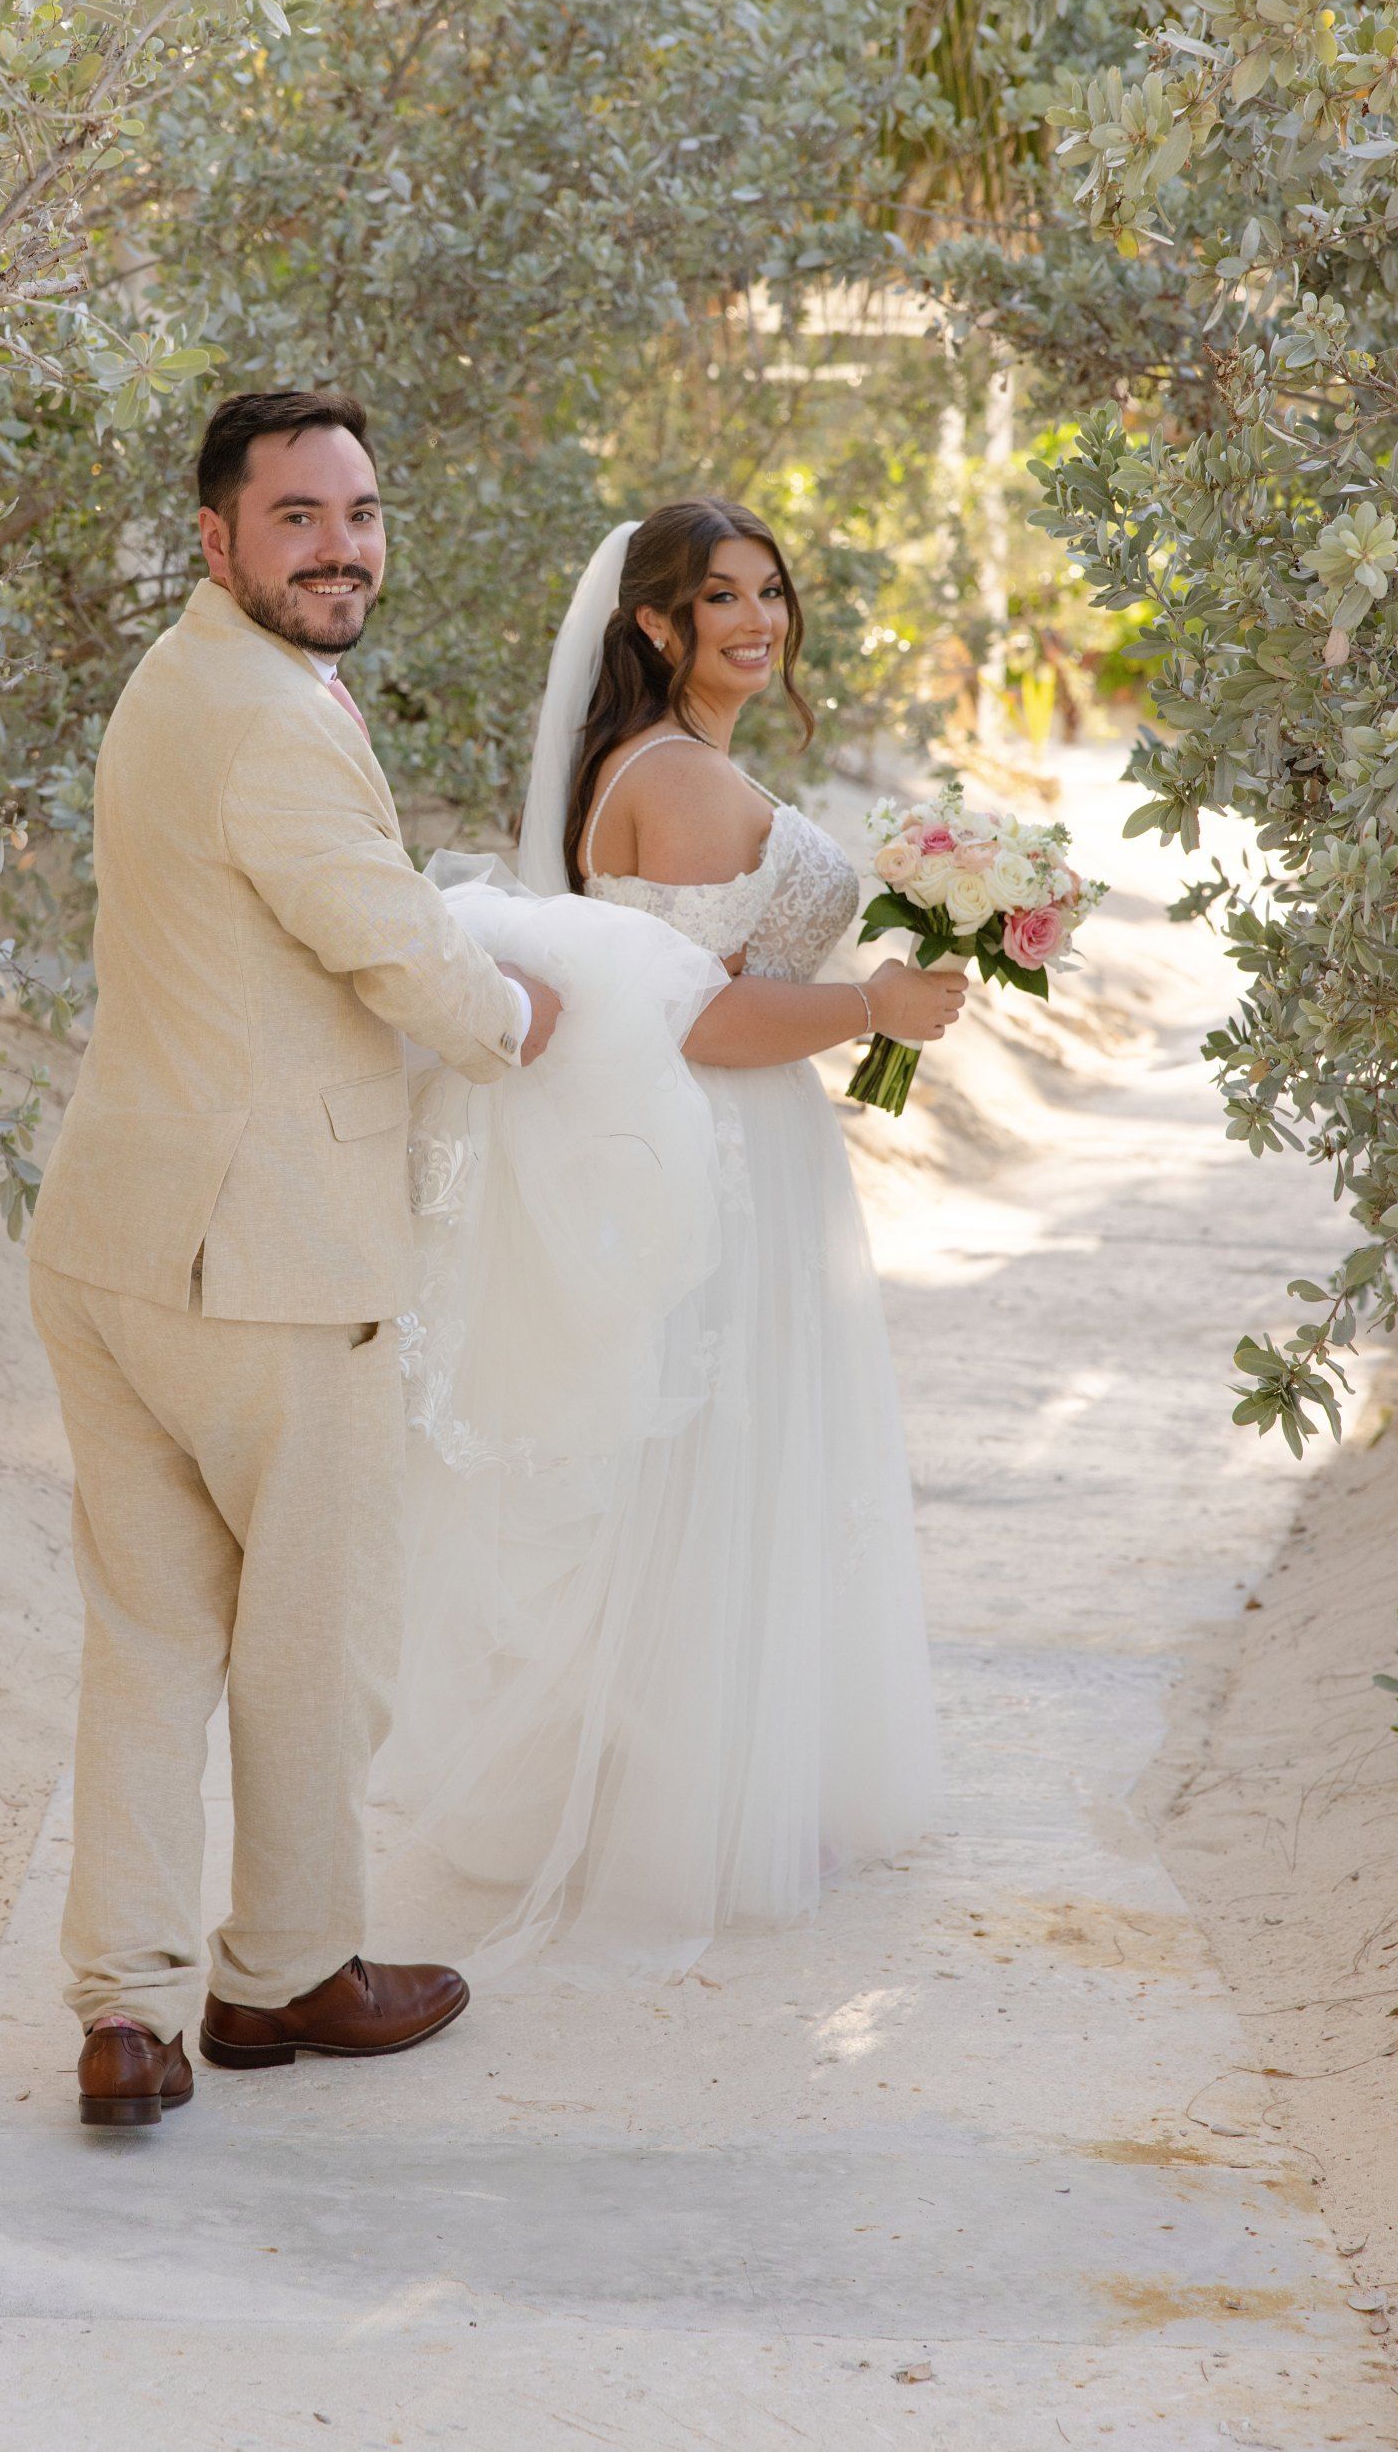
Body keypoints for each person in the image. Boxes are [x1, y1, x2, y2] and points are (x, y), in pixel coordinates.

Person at [27, 388, 562, 2127]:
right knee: (321, 1642)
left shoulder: (177, 679)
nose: (343, 547)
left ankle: (124, 2016)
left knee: (149, 1640)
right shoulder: (268, 717)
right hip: (268, 1263)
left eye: (362, 513)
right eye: (301, 519)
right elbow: (388, 944)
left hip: (113, 1238)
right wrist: (510, 1018)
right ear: (215, 537)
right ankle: (285, 1977)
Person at [383, 501, 960, 1980]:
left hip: (703, 1144)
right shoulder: (682, 777)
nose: (758, 621)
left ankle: (674, 1781)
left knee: (684, 1465)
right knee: (720, 1458)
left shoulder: (646, 762)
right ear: (654, 623)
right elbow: (704, 1014)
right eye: (721, 599)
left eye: (772, 591)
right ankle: (696, 1809)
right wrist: (875, 1009)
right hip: (724, 1142)